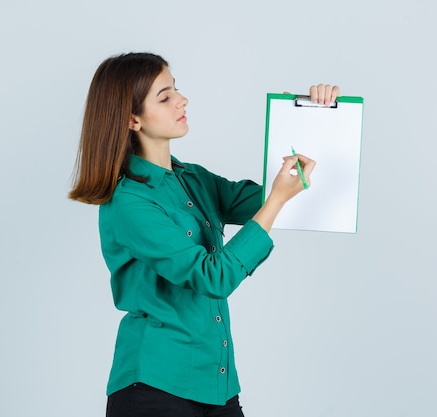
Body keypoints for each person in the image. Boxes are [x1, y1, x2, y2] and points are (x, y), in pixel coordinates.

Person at [69, 52, 339, 417]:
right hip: (154, 388)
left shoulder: (193, 179)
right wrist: (277, 198)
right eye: (164, 97)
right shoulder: (129, 203)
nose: (182, 100)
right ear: (132, 119)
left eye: (176, 89)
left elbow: (287, 190)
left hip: (218, 385)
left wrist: (310, 117)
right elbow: (213, 276)